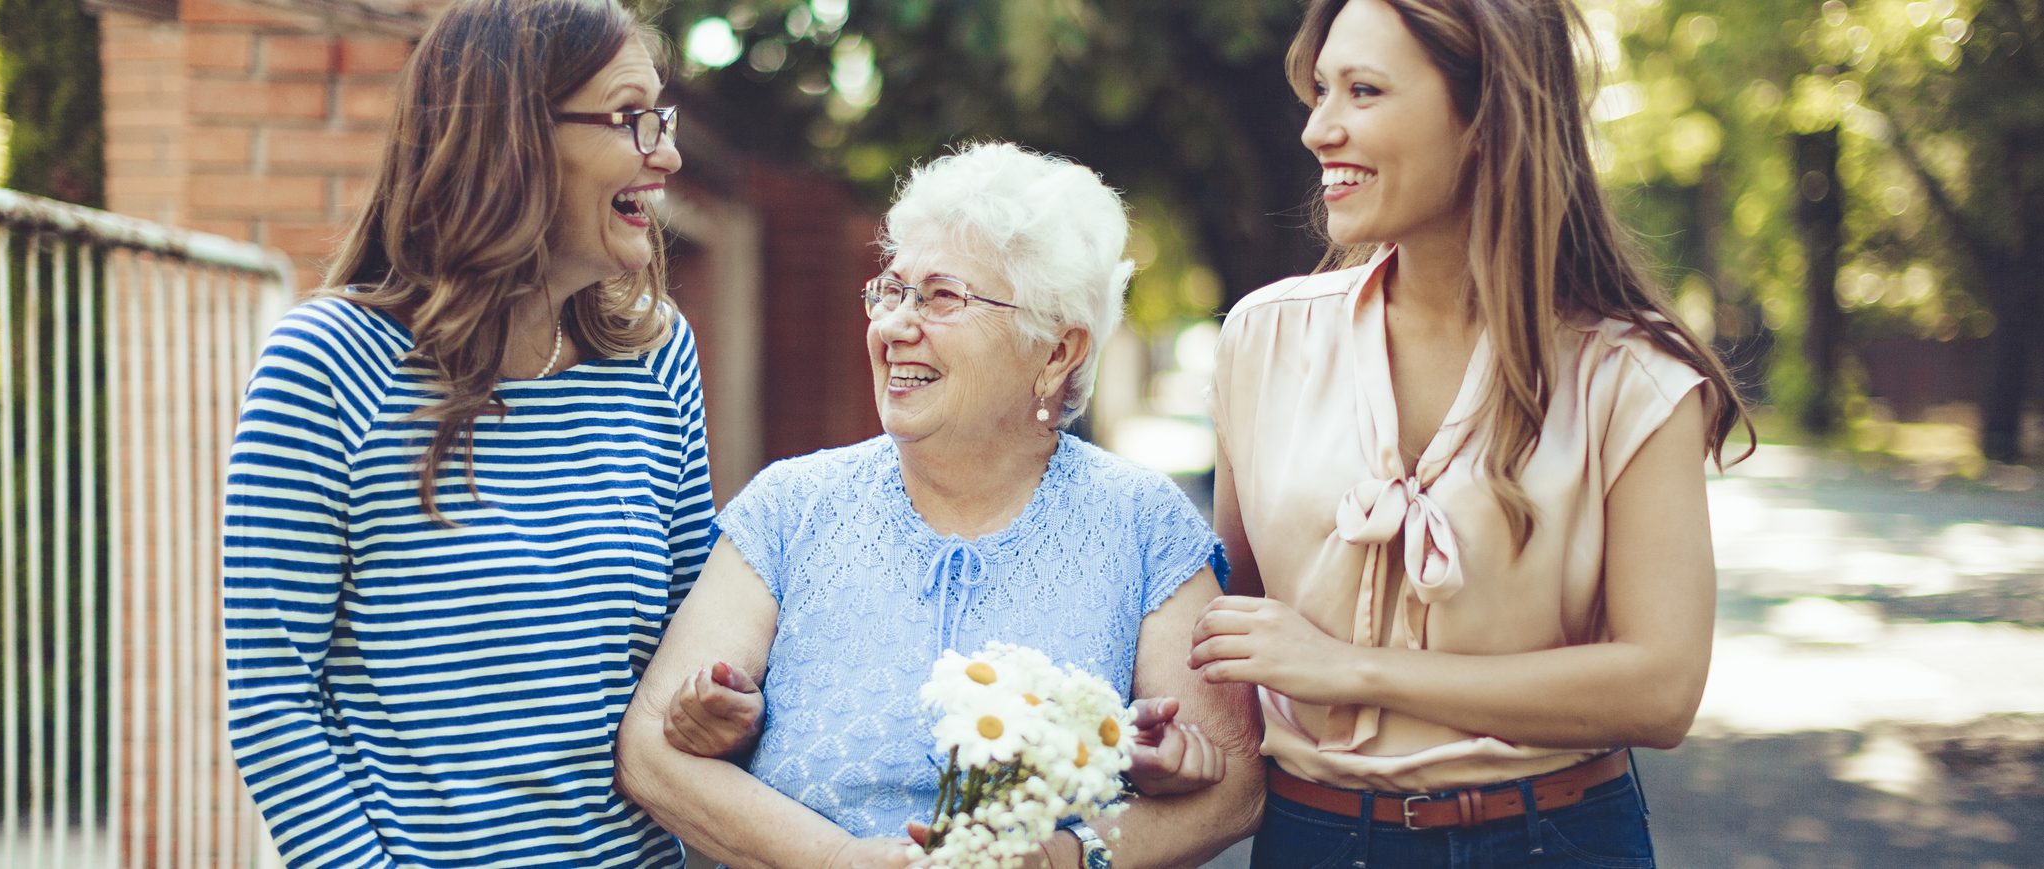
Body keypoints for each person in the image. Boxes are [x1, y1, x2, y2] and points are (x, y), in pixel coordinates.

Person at [1190, 0, 1754, 866]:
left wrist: (1353, 667)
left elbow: (1660, 687)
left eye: (1363, 91)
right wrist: (1178, 739)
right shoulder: (1261, 340)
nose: (1317, 129)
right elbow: (1233, 629)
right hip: (1309, 837)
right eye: (1319, 91)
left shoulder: (1630, 377)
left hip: (1556, 840)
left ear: (1486, 119)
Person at [612, 142, 1263, 868]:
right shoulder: (791, 507)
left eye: (941, 296)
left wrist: (1064, 859)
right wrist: (834, 858)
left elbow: (1232, 781)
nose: (894, 326)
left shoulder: (1141, 521)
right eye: (889, 292)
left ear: (1055, 352)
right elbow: (650, 750)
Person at [219, 1, 709, 866]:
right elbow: (273, 701)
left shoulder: (655, 354)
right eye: (632, 118)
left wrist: (721, 703)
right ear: (514, 138)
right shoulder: (329, 365)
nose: (665, 152)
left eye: (659, 119)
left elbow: (688, 647)